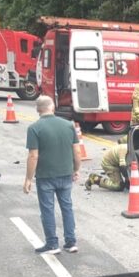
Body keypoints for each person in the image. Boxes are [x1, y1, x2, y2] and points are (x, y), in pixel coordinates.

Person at [23, 96, 80, 254]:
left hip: (45, 176)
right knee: (67, 207)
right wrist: (76, 169)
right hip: (65, 174)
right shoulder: (69, 125)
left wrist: (28, 178)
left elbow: (33, 155)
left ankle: (52, 244)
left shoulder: (34, 128)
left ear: (37, 109)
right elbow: (76, 151)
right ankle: (71, 242)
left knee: (47, 209)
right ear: (53, 107)